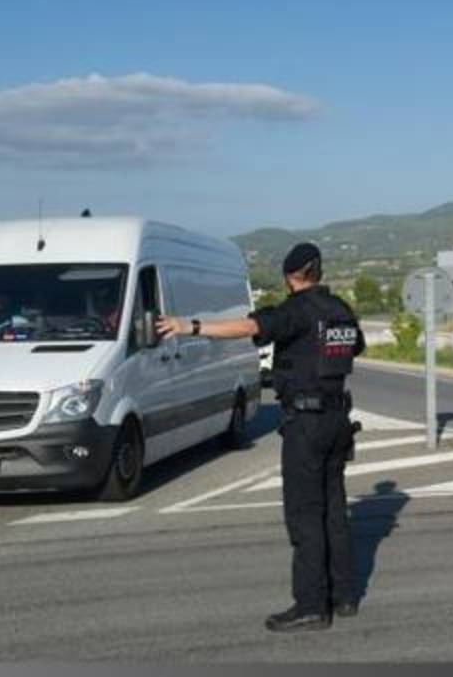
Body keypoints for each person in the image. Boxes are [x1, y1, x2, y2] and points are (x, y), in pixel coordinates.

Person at [156, 242, 365, 633]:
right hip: (338, 419)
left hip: (306, 423)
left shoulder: (295, 311)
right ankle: (344, 596)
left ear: (291, 276)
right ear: (318, 272)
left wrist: (191, 326)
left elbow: (250, 326)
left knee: (304, 516)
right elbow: (355, 346)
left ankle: (310, 606)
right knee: (334, 511)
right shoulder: (341, 311)